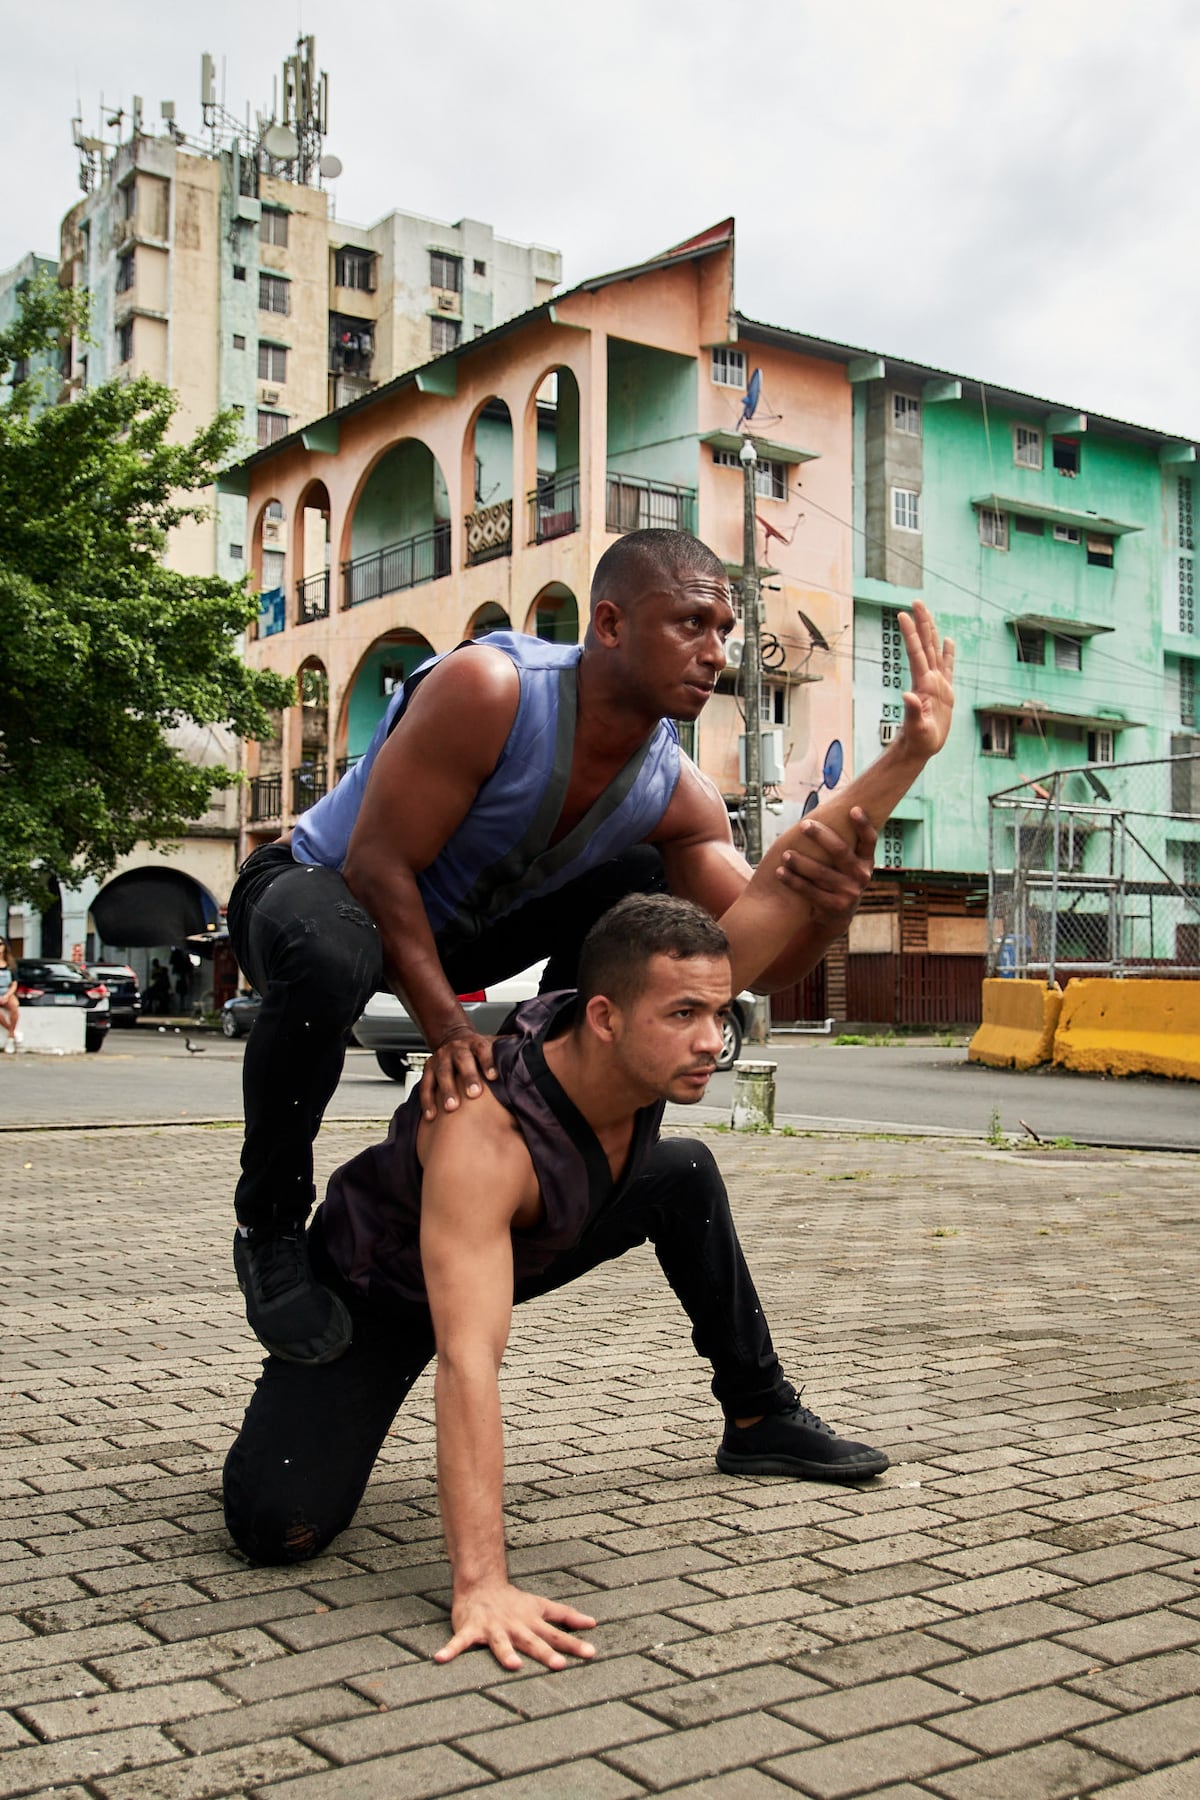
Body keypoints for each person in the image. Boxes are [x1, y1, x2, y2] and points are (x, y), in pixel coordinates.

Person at [228, 528, 955, 1365]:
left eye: (724, 630)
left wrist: (835, 893)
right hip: (314, 890)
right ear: (609, 624)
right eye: (691, 623)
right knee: (334, 951)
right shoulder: (491, 689)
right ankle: (269, 1228)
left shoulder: (677, 793)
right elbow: (376, 866)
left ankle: (549, 1124)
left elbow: (740, 958)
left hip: (455, 934)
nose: (716, 653)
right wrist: (450, 1033)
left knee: (644, 889)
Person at [224, 895, 892, 1672]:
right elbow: (469, 1361)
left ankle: (758, 1415)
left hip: (520, 1237)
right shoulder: (483, 1136)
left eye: (718, 1014)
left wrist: (867, 822)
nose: (712, 1040)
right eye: (685, 1015)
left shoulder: (645, 1034)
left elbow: (781, 889)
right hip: (376, 1296)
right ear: (605, 1018)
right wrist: (482, 1583)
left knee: (683, 1173)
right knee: (277, 1527)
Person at [0, 938, 21, 1053]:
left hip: (7, 991)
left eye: (0, 944)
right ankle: (12, 1032)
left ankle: (10, 1037)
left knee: (14, 1006)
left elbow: (14, 984)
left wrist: (7, 996)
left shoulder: (10, 964)